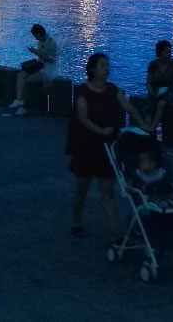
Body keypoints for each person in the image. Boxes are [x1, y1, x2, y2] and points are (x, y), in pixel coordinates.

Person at [67, 52, 145, 240]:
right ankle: (77, 221)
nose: (107, 68)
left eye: (107, 65)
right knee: (82, 189)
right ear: (92, 69)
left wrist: (143, 124)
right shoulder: (83, 92)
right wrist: (100, 130)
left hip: (108, 147)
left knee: (108, 190)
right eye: (103, 65)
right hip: (86, 146)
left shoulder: (113, 90)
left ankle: (116, 235)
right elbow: (83, 118)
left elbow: (128, 107)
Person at [6, 23, 59, 116]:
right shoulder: (41, 41)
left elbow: (51, 60)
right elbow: (41, 55)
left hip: (48, 70)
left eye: (35, 36)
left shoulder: (51, 43)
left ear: (39, 34)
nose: (35, 38)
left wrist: (36, 52)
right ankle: (19, 100)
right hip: (40, 66)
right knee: (21, 75)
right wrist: (36, 52)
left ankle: (24, 106)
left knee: (27, 80)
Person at [144, 40, 173, 141]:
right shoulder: (153, 65)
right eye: (166, 52)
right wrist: (151, 92)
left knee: (161, 103)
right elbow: (148, 82)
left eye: (170, 52)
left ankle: (152, 129)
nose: (169, 54)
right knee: (149, 106)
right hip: (155, 91)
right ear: (160, 53)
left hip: (168, 91)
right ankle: (147, 134)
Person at [130, 145, 173, 211]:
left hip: (165, 192)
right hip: (151, 195)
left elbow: (170, 180)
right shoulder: (139, 173)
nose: (139, 163)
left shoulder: (161, 171)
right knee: (154, 200)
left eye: (142, 161)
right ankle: (164, 208)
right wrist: (129, 185)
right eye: (139, 161)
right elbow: (132, 179)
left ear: (152, 163)